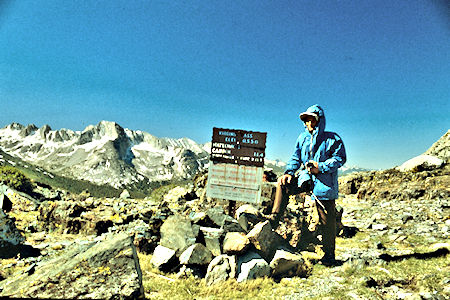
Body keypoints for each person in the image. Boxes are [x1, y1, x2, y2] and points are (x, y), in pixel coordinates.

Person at [269, 104, 346, 265]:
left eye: (310, 119)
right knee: (283, 185)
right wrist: (289, 173)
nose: (307, 123)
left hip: (324, 181)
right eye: (305, 120)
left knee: (327, 220)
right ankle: (274, 219)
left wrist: (321, 167)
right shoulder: (302, 138)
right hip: (305, 178)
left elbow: (340, 159)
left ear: (318, 120)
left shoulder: (332, 139)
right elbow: (296, 158)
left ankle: (329, 256)